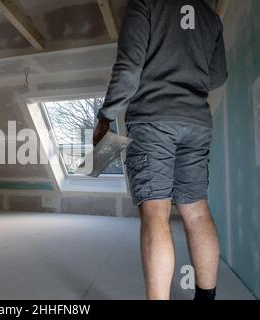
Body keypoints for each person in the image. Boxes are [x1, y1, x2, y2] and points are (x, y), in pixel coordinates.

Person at [94, 0, 228, 300]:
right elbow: (218, 76)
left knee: (156, 212)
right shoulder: (209, 15)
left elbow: (129, 65)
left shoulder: (146, 3)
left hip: (153, 119)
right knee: (197, 212)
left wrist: (106, 116)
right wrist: (187, 70)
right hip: (196, 122)